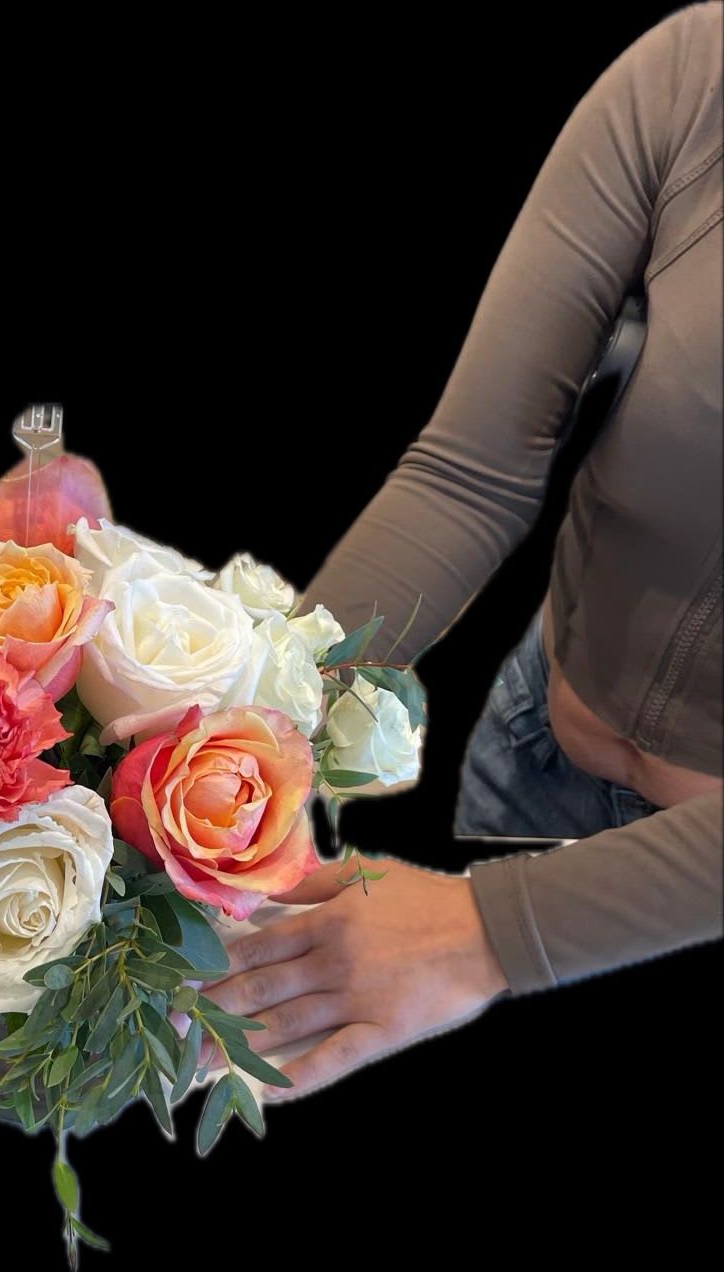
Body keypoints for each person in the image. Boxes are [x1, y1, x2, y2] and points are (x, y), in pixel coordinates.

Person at [207, 2, 723, 1096]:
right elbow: (470, 474)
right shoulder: (702, 74)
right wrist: (239, 731)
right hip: (536, 754)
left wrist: (489, 931)